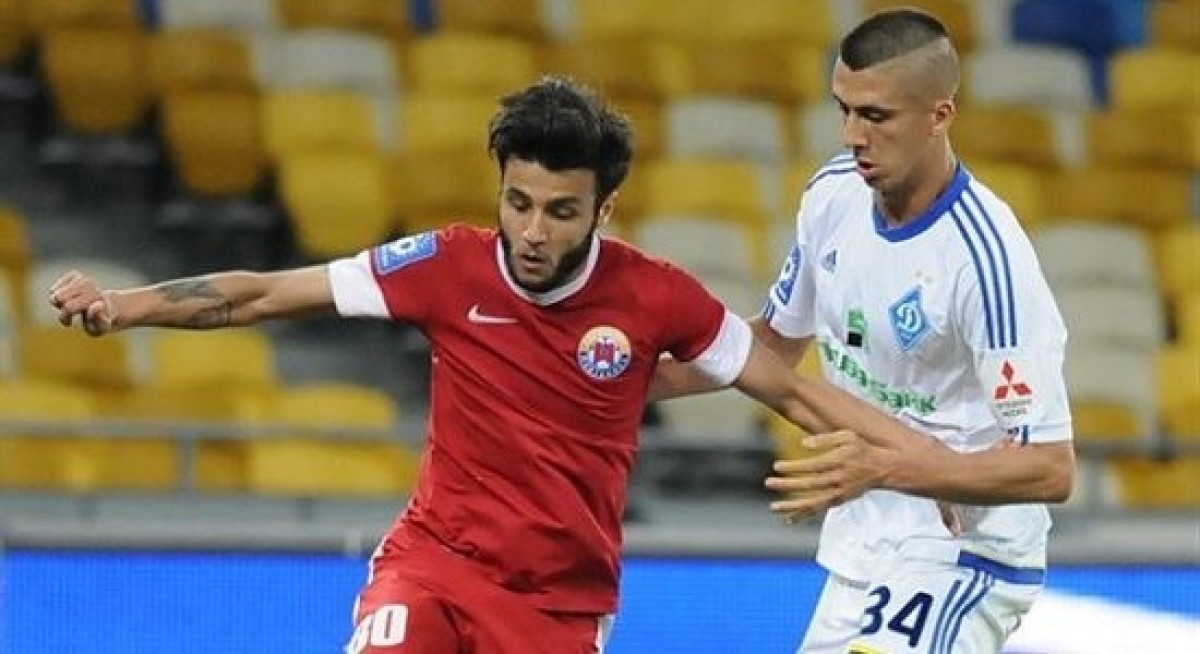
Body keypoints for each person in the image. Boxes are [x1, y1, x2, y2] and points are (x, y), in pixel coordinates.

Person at [49, 76, 963, 653]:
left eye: (559, 212)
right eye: (517, 202)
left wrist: (928, 469)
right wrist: (124, 306)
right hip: (433, 567)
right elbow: (262, 294)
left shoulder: (657, 299)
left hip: (559, 608)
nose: (531, 231)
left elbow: (793, 390)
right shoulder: (444, 266)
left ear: (603, 211)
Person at [652, 8, 1076, 654]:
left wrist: (893, 467)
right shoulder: (833, 195)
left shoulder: (986, 260)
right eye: (844, 110)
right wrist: (635, 381)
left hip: (965, 550)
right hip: (864, 543)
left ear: (939, 115)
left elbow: (1049, 467)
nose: (853, 135)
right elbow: (772, 346)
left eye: (876, 116)